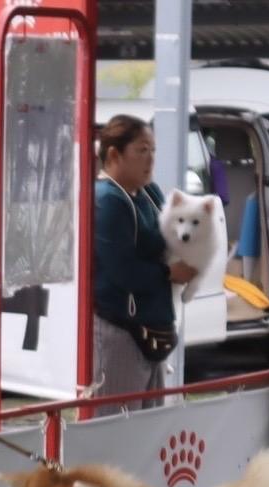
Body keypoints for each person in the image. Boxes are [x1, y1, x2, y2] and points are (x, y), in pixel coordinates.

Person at [92, 115, 197, 416]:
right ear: (114, 154)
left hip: (156, 329)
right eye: (141, 150)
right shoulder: (107, 200)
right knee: (118, 428)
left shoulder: (150, 192)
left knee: (149, 427)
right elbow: (122, 269)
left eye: (153, 150)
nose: (150, 159)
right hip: (120, 330)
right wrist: (169, 273)